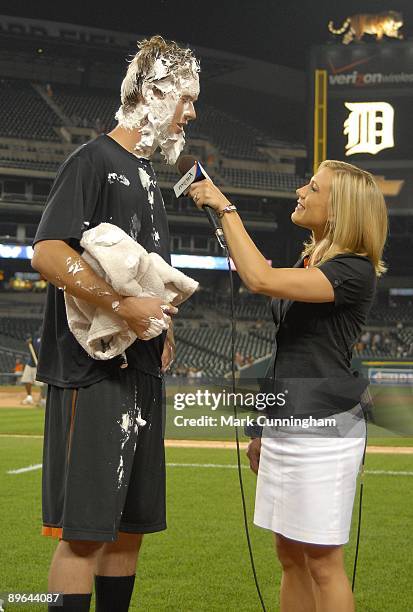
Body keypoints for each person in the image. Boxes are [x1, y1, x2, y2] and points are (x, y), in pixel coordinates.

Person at [31, 36, 199, 612]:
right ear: (152, 93)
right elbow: (49, 252)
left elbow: (145, 278)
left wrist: (161, 322)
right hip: (91, 372)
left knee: (128, 529)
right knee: (84, 534)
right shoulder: (94, 160)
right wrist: (120, 305)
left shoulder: (150, 180)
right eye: (185, 100)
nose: (191, 113)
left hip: (142, 371)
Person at [188, 160, 387, 612]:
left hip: (325, 429)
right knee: (290, 557)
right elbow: (287, 354)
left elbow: (260, 279)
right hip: (287, 421)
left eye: (313, 187)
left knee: (322, 563)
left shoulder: (354, 270)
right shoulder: (311, 258)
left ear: (340, 210)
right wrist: (263, 428)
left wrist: (226, 209)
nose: (300, 190)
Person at [20, 333, 41, 404]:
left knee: (42, 384)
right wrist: (29, 341)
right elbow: (29, 340)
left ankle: (43, 399)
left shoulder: (45, 339)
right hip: (31, 363)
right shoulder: (36, 337)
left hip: (40, 365)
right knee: (27, 380)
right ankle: (29, 397)